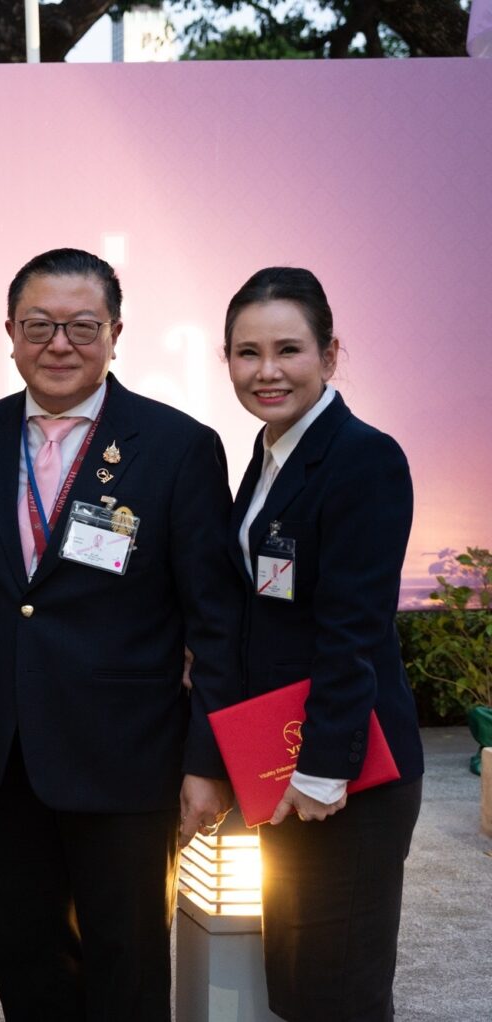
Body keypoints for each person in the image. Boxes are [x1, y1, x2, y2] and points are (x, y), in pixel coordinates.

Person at [0, 248, 244, 1020]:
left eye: (82, 325)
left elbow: (217, 619)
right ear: (9, 333)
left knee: (129, 971)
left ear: (116, 333)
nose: (59, 344)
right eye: (39, 325)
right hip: (9, 768)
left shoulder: (178, 446)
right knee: (27, 965)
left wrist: (208, 762)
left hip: (129, 766)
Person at [222, 266, 423, 1021]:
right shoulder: (273, 449)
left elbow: (354, 630)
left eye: (288, 350)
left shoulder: (362, 457)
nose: (266, 371)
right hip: (287, 759)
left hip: (346, 774)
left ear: (330, 355)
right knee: (300, 979)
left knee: (340, 987)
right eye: (247, 352)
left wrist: (322, 771)